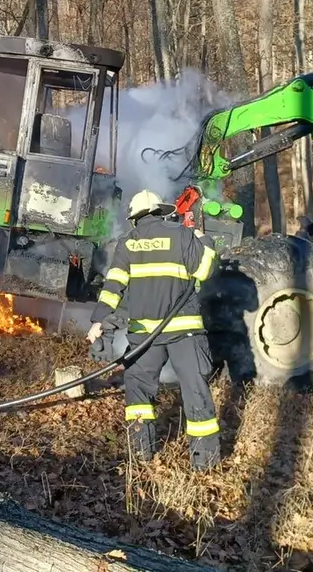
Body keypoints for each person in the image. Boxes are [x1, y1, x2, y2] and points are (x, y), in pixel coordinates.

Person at [87, 190, 221, 470]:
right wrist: (203, 240)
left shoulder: (128, 243)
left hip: (145, 336)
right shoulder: (182, 235)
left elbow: (113, 287)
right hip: (185, 332)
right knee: (195, 391)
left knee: (138, 393)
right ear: (160, 211)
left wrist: (98, 322)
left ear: (135, 218)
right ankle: (204, 464)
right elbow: (206, 269)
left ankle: (141, 455)